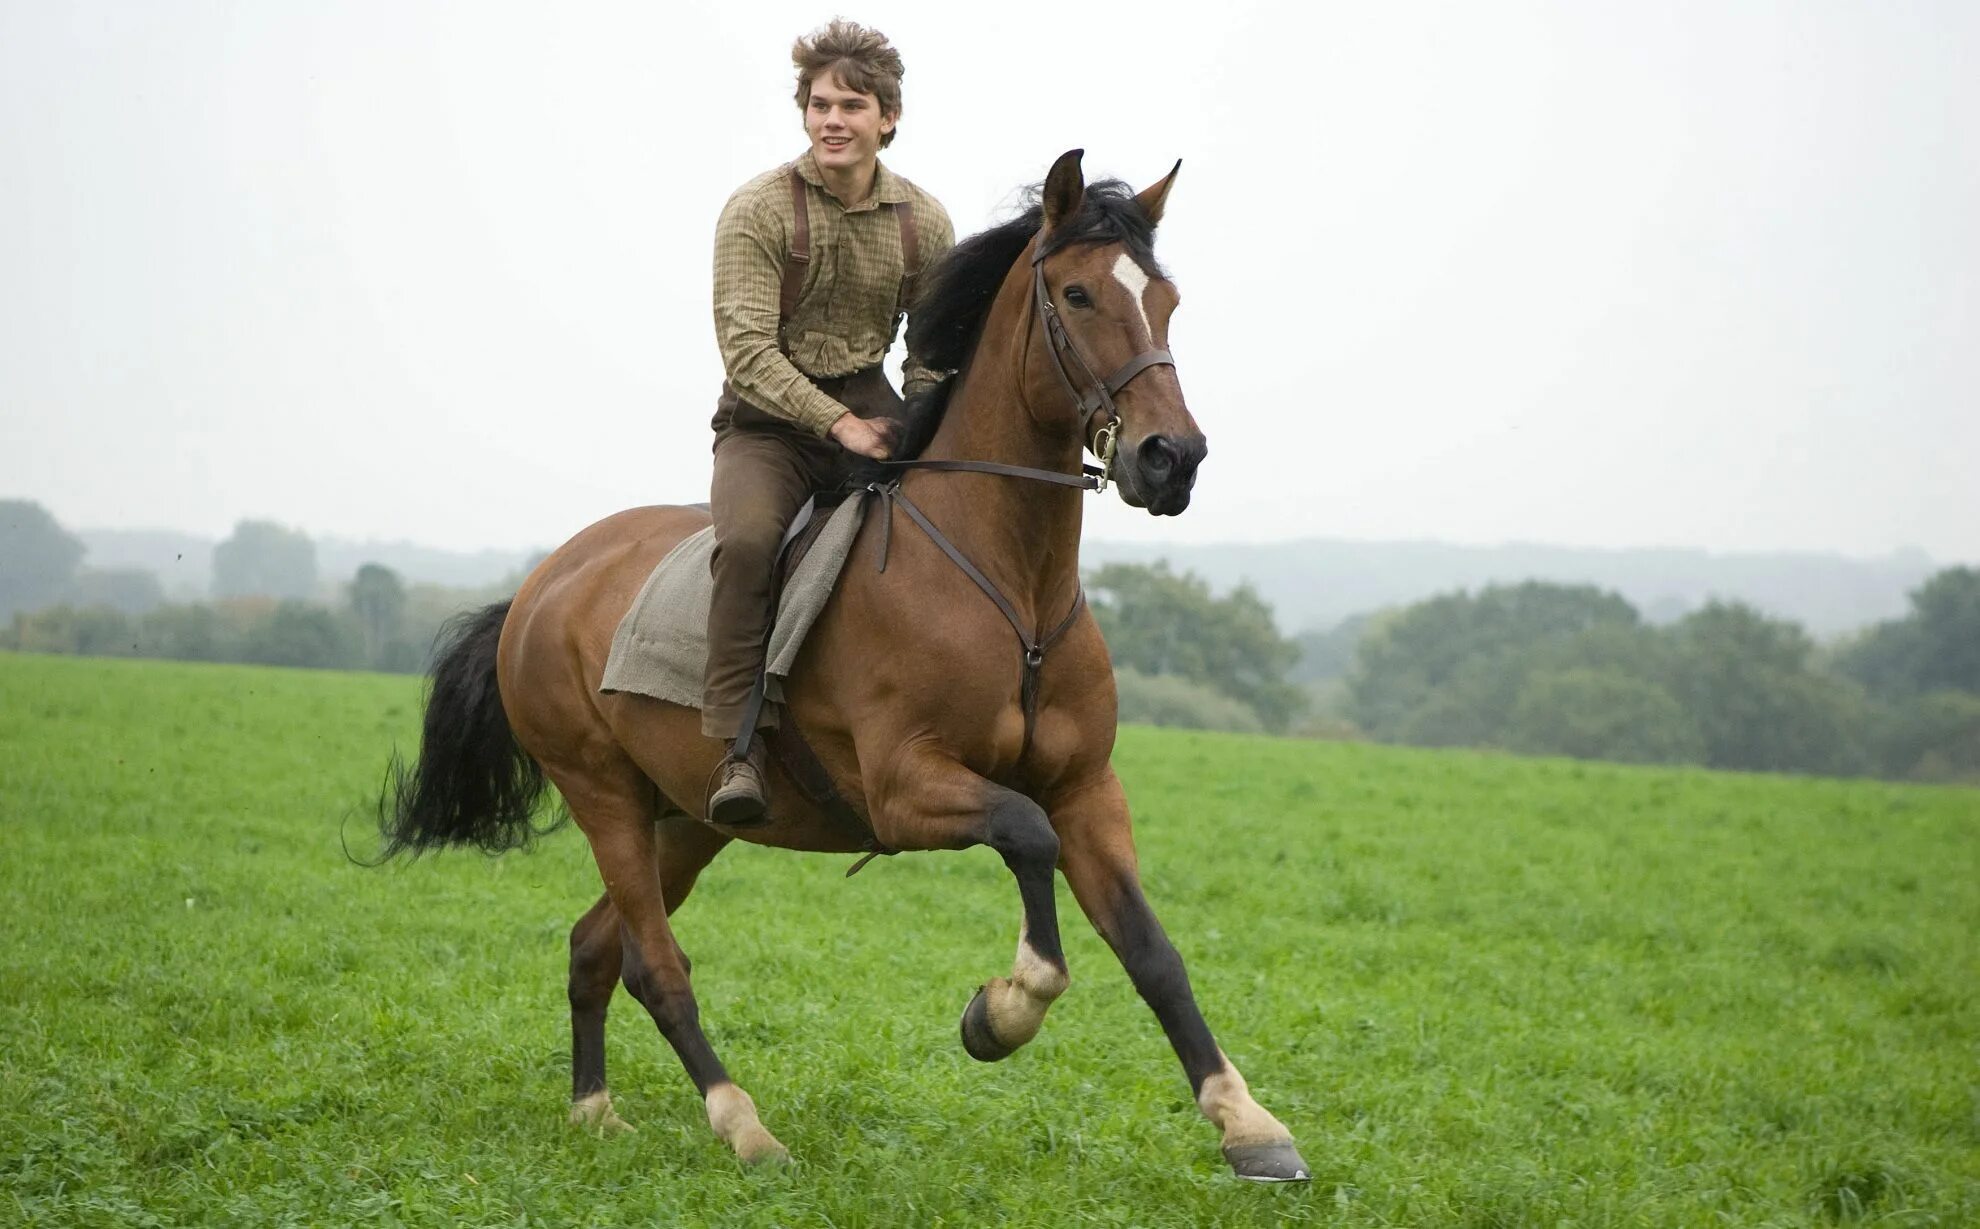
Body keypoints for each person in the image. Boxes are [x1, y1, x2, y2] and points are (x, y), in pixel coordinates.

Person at [703, 20, 955, 826]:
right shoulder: (757, 209)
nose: (831, 120)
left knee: (948, 524)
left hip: (871, 405)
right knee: (746, 544)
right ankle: (737, 748)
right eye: (818, 104)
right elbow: (746, 352)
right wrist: (839, 425)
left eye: (852, 104)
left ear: (889, 117)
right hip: (766, 424)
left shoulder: (924, 220)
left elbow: (931, 348)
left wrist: (921, 418)